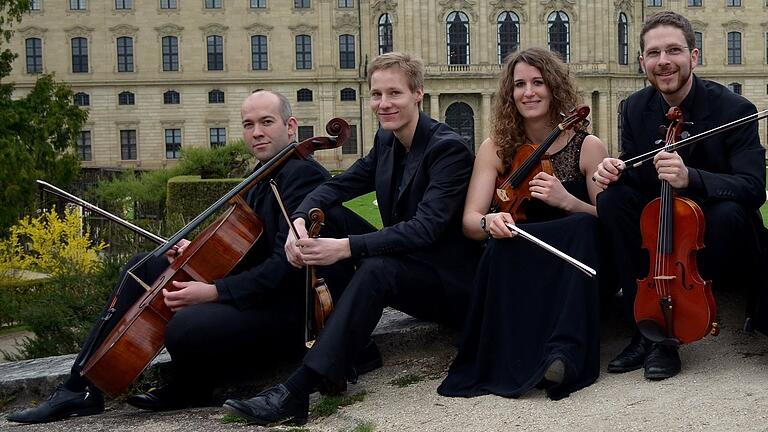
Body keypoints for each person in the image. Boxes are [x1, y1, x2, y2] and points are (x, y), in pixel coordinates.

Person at [6, 90, 376, 424]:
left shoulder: (302, 177)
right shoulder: (263, 176)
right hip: (267, 295)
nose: (257, 132)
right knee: (148, 265)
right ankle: (80, 386)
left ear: (290, 126)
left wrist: (213, 292)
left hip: (300, 310)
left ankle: (192, 386)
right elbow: (249, 251)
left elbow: (286, 268)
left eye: (266, 122)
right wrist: (196, 255)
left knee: (185, 326)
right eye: (249, 125)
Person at [222, 52, 480, 426]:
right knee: (332, 218)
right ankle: (351, 350)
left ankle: (296, 393)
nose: (383, 103)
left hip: (456, 287)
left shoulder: (447, 149)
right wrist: (297, 222)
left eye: (394, 93)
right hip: (415, 274)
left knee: (375, 266)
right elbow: (338, 186)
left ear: (418, 94)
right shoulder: (387, 140)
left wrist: (343, 248)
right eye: (376, 94)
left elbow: (425, 229)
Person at [593, 11, 767, 380]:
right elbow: (637, 173)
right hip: (666, 234)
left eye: (674, 50)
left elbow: (753, 189)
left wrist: (693, 178)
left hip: (719, 238)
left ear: (694, 56)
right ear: (643, 63)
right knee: (611, 199)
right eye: (654, 54)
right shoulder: (635, 108)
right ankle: (644, 327)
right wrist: (617, 169)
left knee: (727, 214)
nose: (664, 61)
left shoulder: (735, 109)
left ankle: (670, 335)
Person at [436, 47, 608, 401]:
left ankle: (563, 355)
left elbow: (609, 221)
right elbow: (470, 221)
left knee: (582, 227)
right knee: (502, 244)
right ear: (509, 93)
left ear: (554, 87)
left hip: (572, 258)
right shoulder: (496, 147)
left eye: (537, 82)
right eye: (519, 85)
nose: (528, 92)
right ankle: (519, 356)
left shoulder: (587, 147)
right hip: (521, 252)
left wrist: (568, 201)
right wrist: (490, 220)